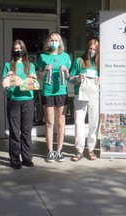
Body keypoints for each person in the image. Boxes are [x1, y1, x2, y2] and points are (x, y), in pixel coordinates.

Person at [2, 40, 37, 169]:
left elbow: (34, 84)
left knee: (26, 131)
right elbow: (4, 84)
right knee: (15, 132)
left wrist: (33, 78)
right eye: (16, 49)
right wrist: (7, 77)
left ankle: (27, 158)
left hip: (28, 99)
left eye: (20, 48)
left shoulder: (30, 65)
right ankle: (15, 159)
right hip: (14, 100)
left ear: (24, 50)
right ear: (13, 50)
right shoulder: (8, 65)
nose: (18, 51)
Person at [37, 32, 71, 163]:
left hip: (61, 92)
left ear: (60, 42)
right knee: (50, 122)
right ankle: (50, 151)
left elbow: (68, 76)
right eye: (51, 40)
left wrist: (66, 71)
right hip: (48, 92)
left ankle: (59, 151)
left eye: (56, 40)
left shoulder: (65, 56)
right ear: (48, 42)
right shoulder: (43, 56)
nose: (54, 42)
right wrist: (45, 70)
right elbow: (39, 75)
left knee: (61, 122)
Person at [67, 39, 100, 161]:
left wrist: (100, 80)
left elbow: (104, 79)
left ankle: (91, 149)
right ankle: (79, 150)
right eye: (90, 48)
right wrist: (78, 78)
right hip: (80, 95)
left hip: (94, 96)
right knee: (79, 123)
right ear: (87, 48)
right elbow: (70, 78)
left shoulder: (98, 63)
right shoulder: (79, 61)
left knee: (93, 123)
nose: (92, 51)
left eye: (94, 49)